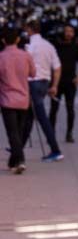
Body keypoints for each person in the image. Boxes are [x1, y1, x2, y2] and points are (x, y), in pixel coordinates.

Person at [24, 19, 62, 160]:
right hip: (45, 83)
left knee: (41, 117)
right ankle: (18, 147)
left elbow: (25, 67)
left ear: (29, 30)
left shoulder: (30, 46)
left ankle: (55, 149)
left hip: (33, 83)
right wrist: (54, 86)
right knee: (29, 116)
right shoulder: (49, 46)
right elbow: (57, 68)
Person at [0, 26, 35, 173]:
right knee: (19, 131)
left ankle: (19, 160)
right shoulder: (26, 55)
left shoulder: (1, 57)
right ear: (18, 39)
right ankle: (13, 161)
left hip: (7, 99)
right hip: (23, 99)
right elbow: (33, 73)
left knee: (12, 132)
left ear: (3, 41)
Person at [49, 24, 78, 143]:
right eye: (66, 31)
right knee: (54, 109)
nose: (69, 33)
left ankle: (69, 133)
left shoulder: (76, 47)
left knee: (70, 109)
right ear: (63, 33)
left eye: (71, 31)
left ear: (74, 34)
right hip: (56, 83)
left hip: (71, 83)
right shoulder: (56, 46)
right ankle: (51, 133)